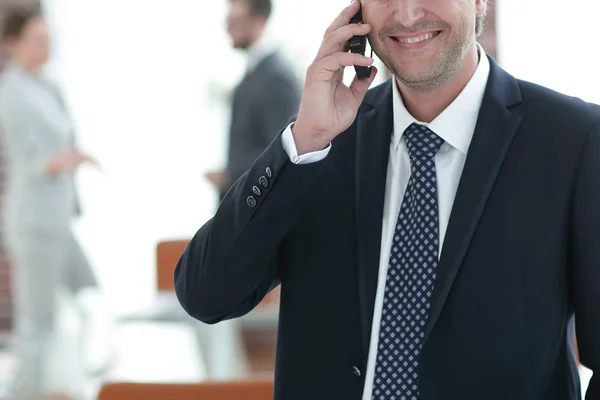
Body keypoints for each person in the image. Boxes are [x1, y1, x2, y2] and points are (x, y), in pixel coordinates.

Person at [175, 0, 599, 399]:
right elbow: (206, 295)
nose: (408, 14)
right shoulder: (321, 142)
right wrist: (305, 141)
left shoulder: (573, 140)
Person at [0, 7, 112, 399]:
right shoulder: (10, 92)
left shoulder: (48, 86)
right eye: (36, 40)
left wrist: (74, 156)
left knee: (90, 293)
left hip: (60, 217)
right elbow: (28, 159)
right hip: (34, 220)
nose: (45, 47)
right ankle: (21, 391)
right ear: (12, 44)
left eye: (48, 40)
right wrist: (64, 160)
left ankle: (78, 380)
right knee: (38, 320)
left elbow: (64, 139)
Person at [205, 0, 300, 199]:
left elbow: (282, 152)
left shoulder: (276, 79)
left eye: (235, 21)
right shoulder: (255, 73)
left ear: (259, 21)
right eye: (227, 21)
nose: (228, 29)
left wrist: (230, 175)